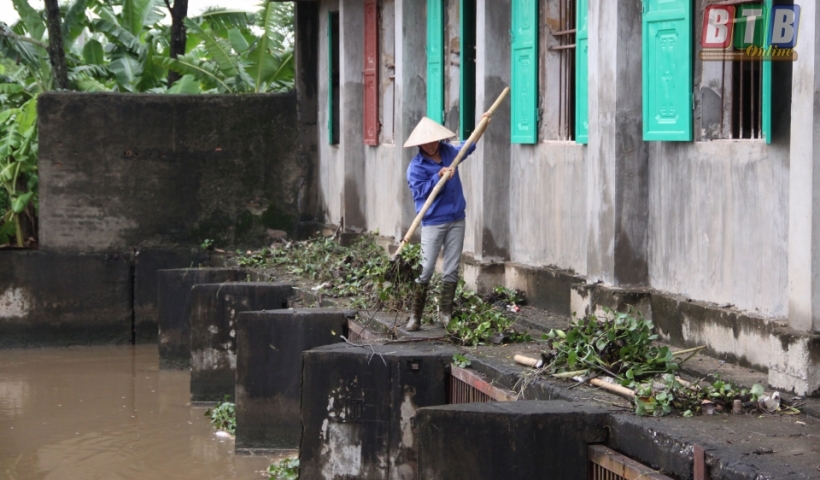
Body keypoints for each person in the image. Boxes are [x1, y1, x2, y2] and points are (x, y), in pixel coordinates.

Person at [402, 114, 488, 331]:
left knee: (451, 267)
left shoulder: (450, 151)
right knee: (426, 267)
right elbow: (419, 191)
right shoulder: (416, 167)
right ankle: (415, 316)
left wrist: (484, 122)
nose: (430, 145)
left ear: (438, 139)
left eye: (433, 141)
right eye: (425, 142)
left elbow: (470, 144)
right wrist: (438, 177)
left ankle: (445, 314)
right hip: (433, 221)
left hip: (457, 218)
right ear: (419, 144)